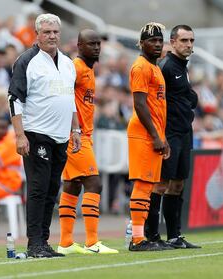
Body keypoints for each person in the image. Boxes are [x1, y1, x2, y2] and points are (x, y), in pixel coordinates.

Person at [7, 13, 81, 258]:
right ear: (37, 34)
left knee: (52, 190)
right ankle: (34, 244)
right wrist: (20, 135)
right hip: (37, 133)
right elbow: (14, 99)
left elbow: (69, 100)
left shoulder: (68, 63)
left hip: (61, 136)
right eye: (47, 32)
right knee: (38, 189)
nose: (51, 36)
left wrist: (76, 129)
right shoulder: (27, 61)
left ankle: (44, 241)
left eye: (55, 32)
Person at [57, 29, 118, 255]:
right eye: (91, 44)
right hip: (75, 135)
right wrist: (72, 129)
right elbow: (60, 94)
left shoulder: (89, 70)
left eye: (98, 44)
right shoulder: (75, 68)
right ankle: (92, 243)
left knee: (72, 185)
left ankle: (65, 243)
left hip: (83, 135)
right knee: (94, 183)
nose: (96, 48)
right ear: (79, 46)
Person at [145, 25, 201, 249]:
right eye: (184, 40)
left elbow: (183, 95)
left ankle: (175, 236)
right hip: (169, 133)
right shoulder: (166, 66)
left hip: (184, 131)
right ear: (173, 42)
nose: (188, 45)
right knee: (161, 184)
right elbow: (155, 99)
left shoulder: (182, 67)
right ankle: (151, 235)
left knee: (178, 184)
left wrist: (191, 99)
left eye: (191, 41)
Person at [127, 22, 171, 252]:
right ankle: (137, 239)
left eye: (159, 40)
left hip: (153, 133)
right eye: (152, 40)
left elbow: (157, 107)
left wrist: (163, 137)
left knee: (149, 185)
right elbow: (140, 104)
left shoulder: (155, 67)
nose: (157, 44)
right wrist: (155, 135)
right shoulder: (141, 67)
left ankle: (143, 236)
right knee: (143, 184)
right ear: (141, 43)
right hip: (142, 133)